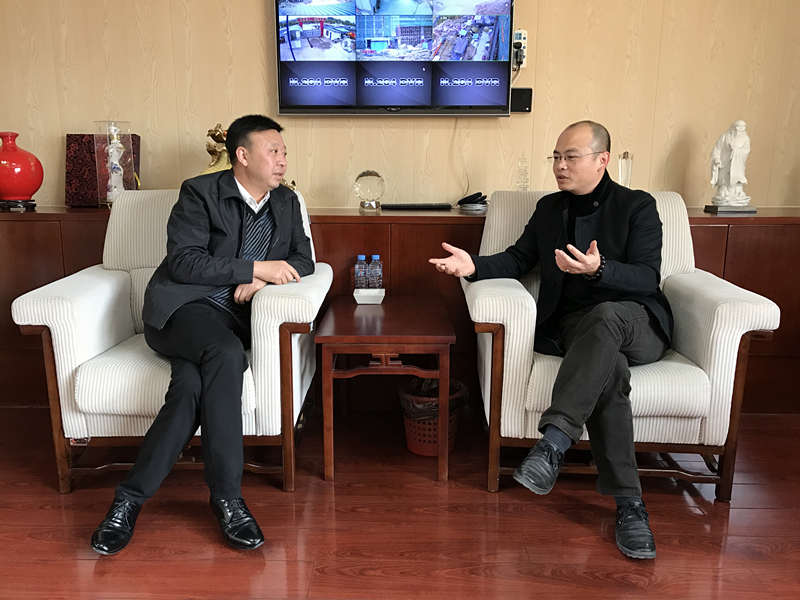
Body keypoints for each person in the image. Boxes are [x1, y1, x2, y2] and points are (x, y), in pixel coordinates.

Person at [429, 121, 672, 560]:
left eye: (571, 157)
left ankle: (554, 442)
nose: (560, 165)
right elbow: (518, 259)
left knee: (607, 316)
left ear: (602, 160)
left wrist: (599, 269)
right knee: (610, 371)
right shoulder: (548, 209)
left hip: (637, 320)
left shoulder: (637, 205)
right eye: (556, 157)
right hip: (578, 327)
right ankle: (630, 506)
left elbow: (647, 276)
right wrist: (474, 267)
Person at [90, 114, 315, 555]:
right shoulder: (199, 192)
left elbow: (303, 259)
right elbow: (185, 262)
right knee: (226, 354)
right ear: (242, 155)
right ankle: (228, 499)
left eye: (284, 152)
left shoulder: (287, 201)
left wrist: (264, 281)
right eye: (273, 151)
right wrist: (254, 268)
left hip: (232, 319)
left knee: (190, 386)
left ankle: (127, 501)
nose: (282, 161)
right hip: (181, 310)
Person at [710, 119, 751, 205]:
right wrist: (717, 159)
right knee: (725, 179)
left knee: (738, 178)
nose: (740, 129)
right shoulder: (725, 137)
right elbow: (716, 150)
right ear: (733, 127)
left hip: (738, 163)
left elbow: (746, 150)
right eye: (738, 126)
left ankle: (738, 191)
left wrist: (735, 149)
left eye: (743, 127)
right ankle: (723, 191)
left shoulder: (746, 139)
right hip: (725, 163)